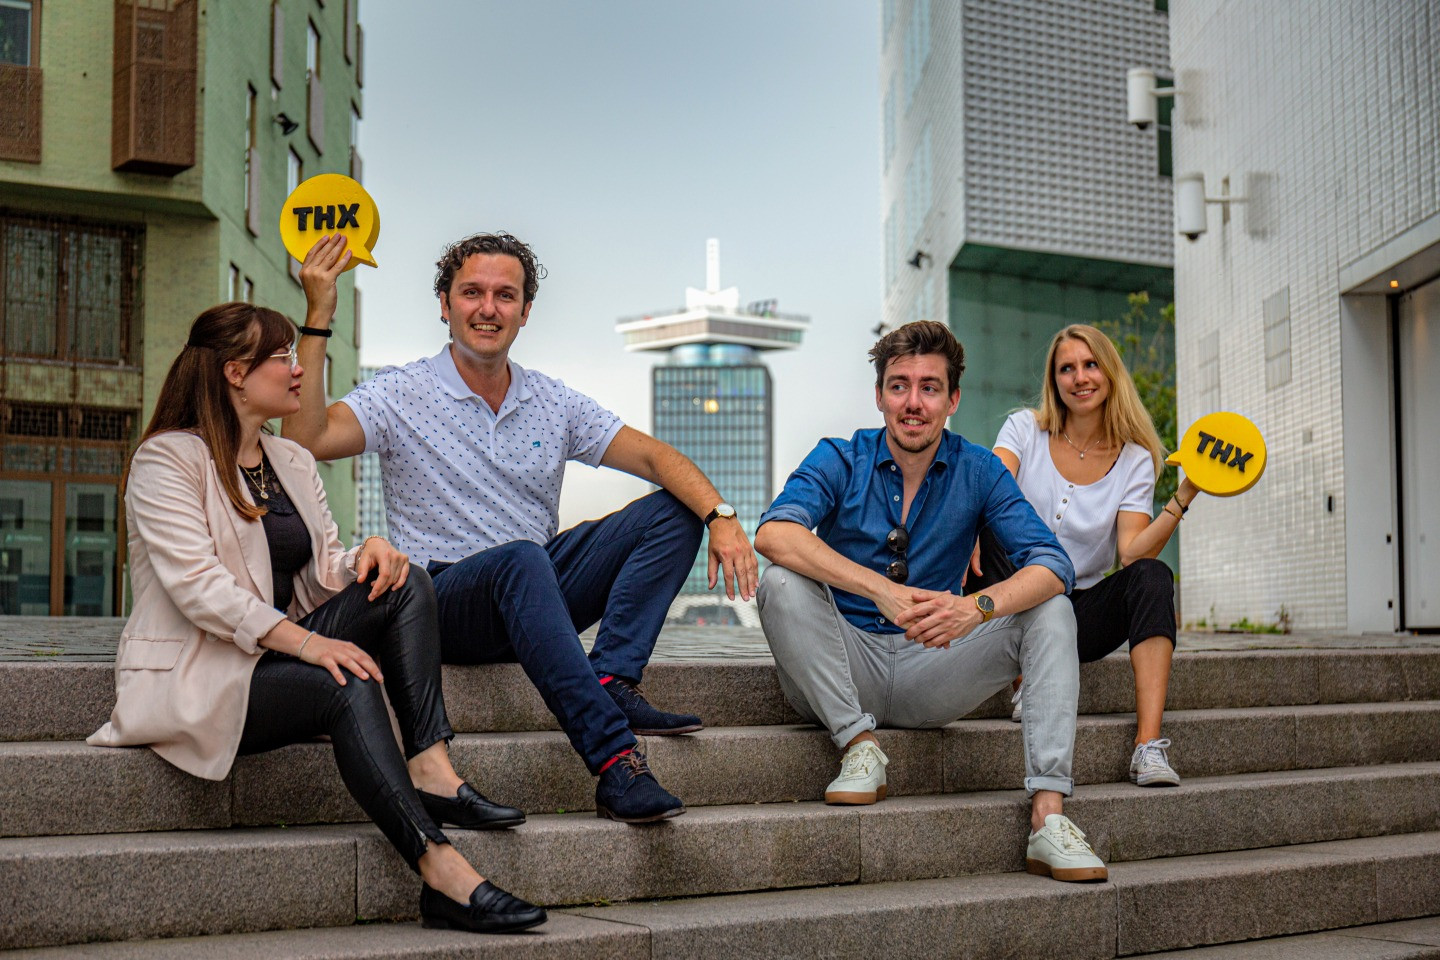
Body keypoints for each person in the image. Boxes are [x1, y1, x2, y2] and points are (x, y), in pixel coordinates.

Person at [88, 303, 545, 934]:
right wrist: (308, 645)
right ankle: (442, 871)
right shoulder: (167, 460)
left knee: (406, 580)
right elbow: (199, 587)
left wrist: (366, 555)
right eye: (282, 357)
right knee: (345, 682)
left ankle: (430, 765)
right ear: (234, 372)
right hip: (202, 676)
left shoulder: (291, 461)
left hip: (272, 655)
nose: (298, 368)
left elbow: (321, 569)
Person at [283, 233, 760, 825]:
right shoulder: (401, 391)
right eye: (472, 293)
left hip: (535, 592)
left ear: (525, 311)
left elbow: (656, 457)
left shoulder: (552, 401)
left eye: (505, 295)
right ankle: (616, 762)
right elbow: (306, 440)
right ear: (444, 304)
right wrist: (319, 316)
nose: (488, 308)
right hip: (442, 602)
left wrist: (722, 518)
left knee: (674, 511)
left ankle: (612, 676)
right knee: (522, 559)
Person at [755, 320, 1108, 883]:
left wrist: (975, 608)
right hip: (840, 669)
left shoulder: (980, 470)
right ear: (879, 396)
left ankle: (1048, 818)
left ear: (952, 400)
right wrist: (879, 588)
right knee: (779, 581)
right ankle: (859, 745)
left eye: (929, 387)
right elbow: (775, 532)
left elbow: (1053, 564)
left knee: (1052, 609)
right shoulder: (839, 457)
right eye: (899, 386)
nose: (913, 403)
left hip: (933, 667)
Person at [970, 323, 1198, 787]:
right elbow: (990, 489)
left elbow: (1131, 553)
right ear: (1054, 381)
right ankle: (1025, 684)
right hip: (1006, 598)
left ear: (1109, 373)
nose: (1080, 378)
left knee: (1153, 575)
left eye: (1091, 364)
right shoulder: (1024, 429)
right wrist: (970, 524)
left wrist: (1184, 495)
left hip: (1076, 618)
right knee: (986, 518)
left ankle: (1148, 747)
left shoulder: (1135, 458)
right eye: (1066, 368)